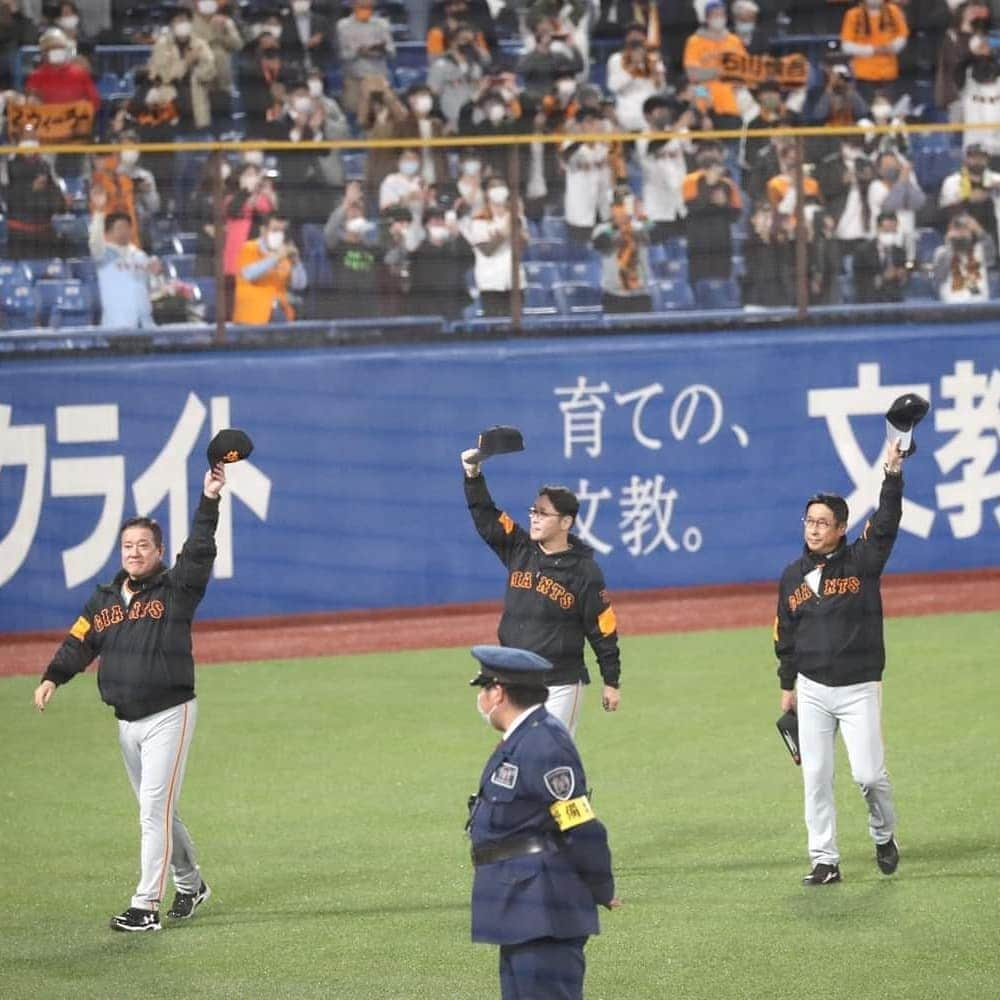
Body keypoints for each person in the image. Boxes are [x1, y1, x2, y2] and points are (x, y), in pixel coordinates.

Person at [32, 463, 227, 931]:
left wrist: (210, 500)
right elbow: (79, 641)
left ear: (160, 551)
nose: (135, 552)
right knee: (158, 811)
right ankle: (190, 882)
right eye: (128, 546)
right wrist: (53, 676)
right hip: (126, 722)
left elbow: (199, 552)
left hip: (169, 714)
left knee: (152, 811)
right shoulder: (102, 600)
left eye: (144, 545)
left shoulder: (176, 589)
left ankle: (145, 906)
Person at [774, 438, 906, 886]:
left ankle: (883, 834)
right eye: (808, 521)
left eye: (822, 522)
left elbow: (885, 524)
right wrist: (787, 686)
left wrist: (891, 474)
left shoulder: (862, 560)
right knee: (816, 777)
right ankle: (825, 860)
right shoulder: (792, 575)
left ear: (842, 527)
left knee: (869, 776)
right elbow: (784, 633)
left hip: (858, 687)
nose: (813, 529)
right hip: (811, 689)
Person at [465, 644, 621, 999]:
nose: (482, 699)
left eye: (484, 689)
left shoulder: (544, 744)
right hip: (518, 906)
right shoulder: (520, 739)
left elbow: (580, 825)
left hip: (543, 907)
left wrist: (601, 887)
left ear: (499, 692)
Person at [460, 450, 622, 735]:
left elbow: (603, 629)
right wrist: (473, 475)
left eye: (543, 514)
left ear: (565, 522)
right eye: (533, 511)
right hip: (516, 677)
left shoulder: (584, 571)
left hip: (560, 682)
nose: (534, 518)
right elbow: (486, 516)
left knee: (551, 754)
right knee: (519, 753)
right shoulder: (519, 548)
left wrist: (611, 680)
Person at [89, 189, 155, 329]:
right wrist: (99, 211)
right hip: (116, 324)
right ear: (108, 232)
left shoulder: (140, 256)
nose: (124, 231)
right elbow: (95, 241)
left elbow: (152, 286)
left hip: (145, 325)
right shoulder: (104, 255)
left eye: (127, 227)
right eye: (119, 228)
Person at [232, 215, 307, 324]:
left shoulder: (285, 254)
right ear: (263, 230)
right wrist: (275, 258)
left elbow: (300, 285)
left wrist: (297, 263)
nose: (279, 235)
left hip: (279, 312)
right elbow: (247, 274)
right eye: (275, 230)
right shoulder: (248, 248)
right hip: (251, 314)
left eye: (282, 231)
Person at [853, 210, 909, 302]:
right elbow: (860, 281)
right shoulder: (863, 251)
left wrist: (902, 276)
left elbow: (904, 280)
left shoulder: (900, 252)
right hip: (870, 300)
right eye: (887, 230)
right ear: (878, 229)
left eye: (893, 230)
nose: (890, 233)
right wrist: (883, 278)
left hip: (895, 300)